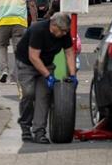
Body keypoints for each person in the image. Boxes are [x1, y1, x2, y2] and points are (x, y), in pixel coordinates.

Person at [13, 12, 77, 144]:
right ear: (53, 25)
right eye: (62, 31)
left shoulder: (64, 33)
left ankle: (39, 132)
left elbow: (69, 52)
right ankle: (25, 125)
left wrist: (72, 74)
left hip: (47, 64)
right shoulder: (38, 30)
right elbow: (33, 57)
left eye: (66, 31)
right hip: (27, 64)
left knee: (44, 96)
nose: (65, 34)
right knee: (28, 94)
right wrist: (48, 76)